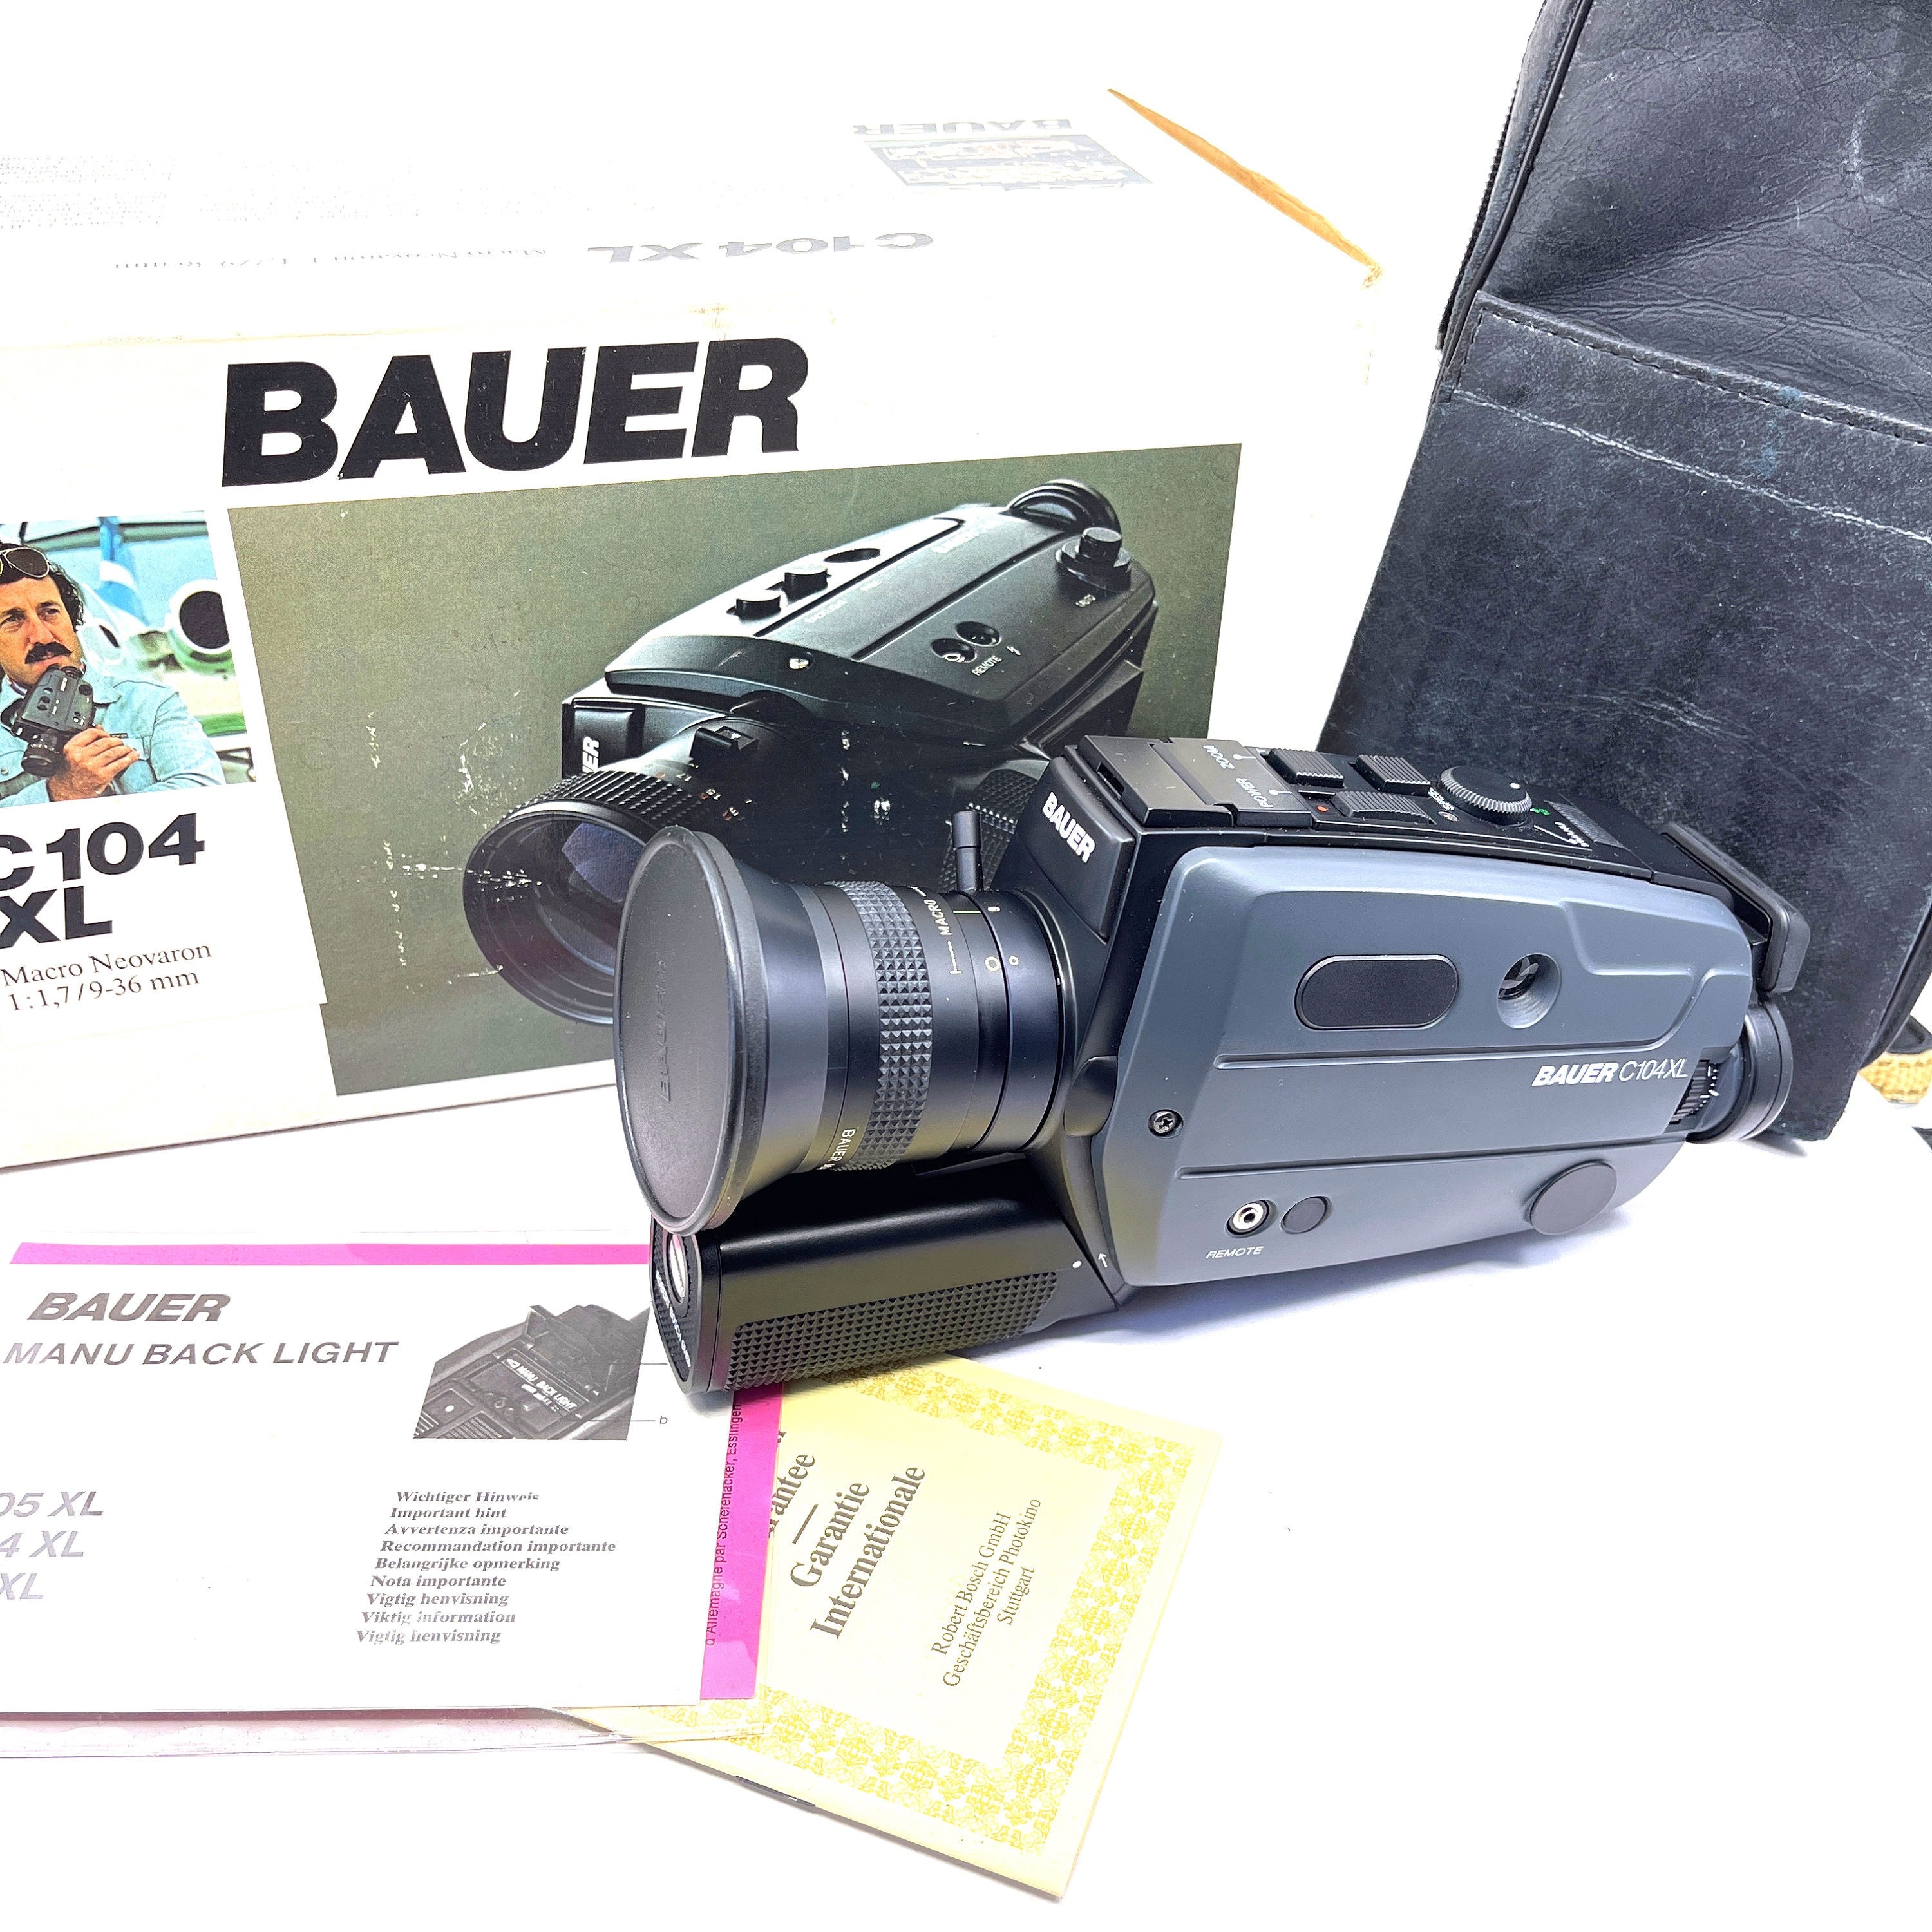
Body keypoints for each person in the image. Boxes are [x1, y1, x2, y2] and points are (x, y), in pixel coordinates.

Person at [0, 542, 223, 806]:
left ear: (72, 620)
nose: (43, 636)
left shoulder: (151, 702)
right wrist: (61, 792)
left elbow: (204, 791)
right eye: (12, 620)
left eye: (50, 612)